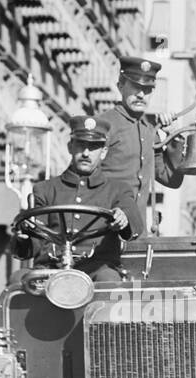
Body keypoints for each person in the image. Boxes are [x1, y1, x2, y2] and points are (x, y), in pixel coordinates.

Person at [12, 114, 144, 284]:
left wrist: (123, 219)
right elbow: (31, 246)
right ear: (70, 147)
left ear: (103, 152)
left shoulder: (118, 190)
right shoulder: (45, 190)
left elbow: (134, 224)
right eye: (81, 145)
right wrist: (23, 238)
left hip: (96, 271)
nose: (86, 153)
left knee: (109, 280)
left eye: (94, 147)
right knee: (17, 280)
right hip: (50, 271)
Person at [100, 55, 184, 223]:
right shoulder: (103, 125)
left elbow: (171, 179)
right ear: (120, 86)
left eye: (147, 89)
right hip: (104, 226)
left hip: (137, 231)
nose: (140, 95)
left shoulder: (149, 130)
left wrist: (174, 137)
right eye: (135, 87)